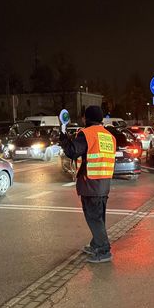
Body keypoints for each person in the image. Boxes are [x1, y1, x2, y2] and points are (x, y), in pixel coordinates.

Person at [59, 105, 117, 263]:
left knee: (94, 218)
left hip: (90, 183)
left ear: (87, 118)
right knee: (99, 218)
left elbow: (72, 151)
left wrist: (63, 134)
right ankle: (96, 244)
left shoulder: (87, 134)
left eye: (84, 116)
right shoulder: (108, 136)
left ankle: (104, 250)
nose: (82, 119)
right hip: (104, 183)